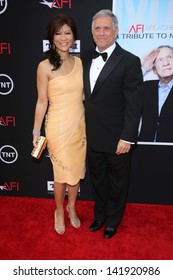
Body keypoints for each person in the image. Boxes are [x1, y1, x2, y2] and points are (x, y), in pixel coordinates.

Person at [82, 9, 143, 238]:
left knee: (118, 182)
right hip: (93, 134)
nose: (101, 32)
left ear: (116, 31)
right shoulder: (85, 57)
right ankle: (100, 216)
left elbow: (134, 104)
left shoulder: (129, 61)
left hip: (118, 137)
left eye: (106, 28)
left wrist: (127, 137)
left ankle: (113, 220)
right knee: (97, 179)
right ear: (91, 32)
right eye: (97, 28)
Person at [32, 13, 86, 235]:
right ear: (51, 38)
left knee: (75, 172)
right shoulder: (44, 67)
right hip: (57, 128)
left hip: (79, 126)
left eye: (67, 32)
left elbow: (85, 96)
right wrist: (36, 131)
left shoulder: (81, 62)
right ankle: (58, 210)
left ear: (73, 36)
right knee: (61, 175)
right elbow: (41, 101)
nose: (63, 37)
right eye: (58, 33)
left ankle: (72, 207)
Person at [138, 45, 173, 142]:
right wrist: (143, 69)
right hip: (145, 148)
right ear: (154, 68)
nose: (166, 63)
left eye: (169, 57)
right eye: (160, 60)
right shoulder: (146, 87)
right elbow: (122, 90)